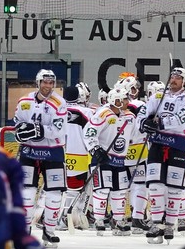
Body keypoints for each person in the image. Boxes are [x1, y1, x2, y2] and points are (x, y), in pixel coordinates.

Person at [136, 66, 185, 243]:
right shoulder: (158, 95)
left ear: (184, 82)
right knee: (155, 185)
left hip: (178, 145)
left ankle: (170, 225)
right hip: (157, 144)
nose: (173, 79)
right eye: (172, 76)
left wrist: (160, 124)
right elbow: (143, 113)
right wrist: (144, 124)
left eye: (178, 77)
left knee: (174, 188)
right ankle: (157, 223)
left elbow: (183, 119)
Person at [12, 69, 67, 248]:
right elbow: (17, 121)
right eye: (45, 82)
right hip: (29, 151)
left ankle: (49, 231)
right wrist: (20, 132)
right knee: (26, 193)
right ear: (38, 83)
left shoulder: (60, 103)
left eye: (51, 83)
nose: (48, 86)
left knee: (55, 194)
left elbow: (59, 129)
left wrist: (40, 130)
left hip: (53, 152)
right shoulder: (24, 101)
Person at [83, 86, 136, 234]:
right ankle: (99, 219)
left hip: (120, 160)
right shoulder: (103, 114)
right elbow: (88, 132)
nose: (127, 101)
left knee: (120, 191)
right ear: (116, 101)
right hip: (103, 159)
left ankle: (118, 221)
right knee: (102, 189)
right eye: (125, 99)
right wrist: (95, 149)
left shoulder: (130, 117)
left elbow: (133, 137)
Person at [125, 76, 157, 233]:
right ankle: (137, 217)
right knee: (140, 185)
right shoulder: (140, 105)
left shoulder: (111, 106)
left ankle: (114, 217)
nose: (136, 90)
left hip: (118, 152)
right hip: (138, 151)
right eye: (133, 88)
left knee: (118, 189)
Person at [60, 82, 92, 230]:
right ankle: (70, 218)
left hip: (58, 154)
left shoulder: (57, 110)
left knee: (57, 189)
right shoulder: (86, 112)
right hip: (79, 155)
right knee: (77, 189)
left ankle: (51, 216)